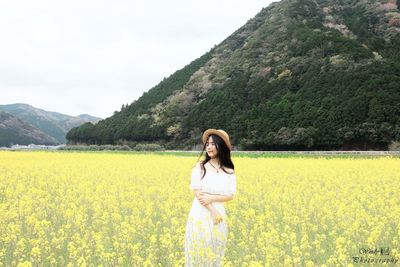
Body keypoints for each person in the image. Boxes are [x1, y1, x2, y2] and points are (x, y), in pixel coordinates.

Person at [184, 129, 237, 266]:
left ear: (222, 146)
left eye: (213, 144)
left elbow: (230, 195)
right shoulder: (200, 167)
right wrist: (212, 209)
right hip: (200, 212)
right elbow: (197, 192)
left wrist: (212, 199)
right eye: (207, 144)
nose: (209, 147)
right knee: (198, 250)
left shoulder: (229, 170)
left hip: (219, 216)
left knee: (216, 250)